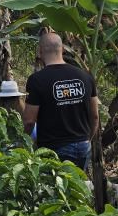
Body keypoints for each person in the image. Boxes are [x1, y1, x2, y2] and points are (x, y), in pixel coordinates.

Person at [22, 32, 100, 171]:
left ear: (40, 51)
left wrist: (23, 142)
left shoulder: (37, 80)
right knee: (77, 188)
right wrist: (87, 139)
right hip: (83, 145)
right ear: (63, 49)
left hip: (54, 149)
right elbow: (94, 115)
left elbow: (29, 121)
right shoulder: (85, 76)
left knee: (57, 189)